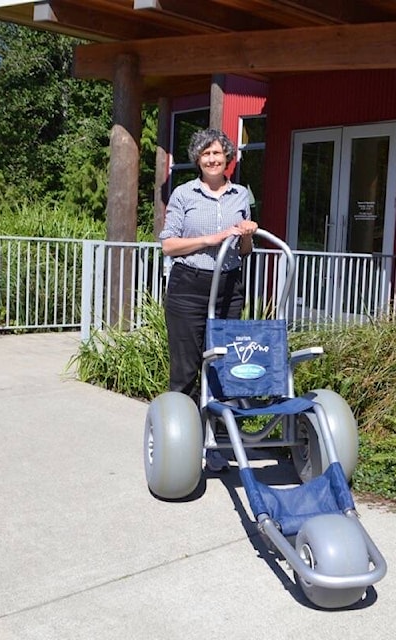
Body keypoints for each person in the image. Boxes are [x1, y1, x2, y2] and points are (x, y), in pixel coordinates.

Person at [159, 128, 257, 470]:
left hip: (228, 285)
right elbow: (168, 244)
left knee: (221, 368)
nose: (213, 159)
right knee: (186, 369)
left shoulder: (241, 195)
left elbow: (245, 251)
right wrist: (212, 238)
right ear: (198, 160)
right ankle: (183, 446)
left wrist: (247, 234)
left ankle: (215, 443)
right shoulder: (184, 194)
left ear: (228, 158)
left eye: (218, 153)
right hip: (189, 285)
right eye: (206, 155)